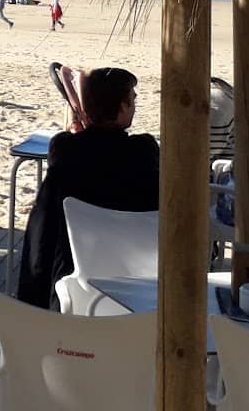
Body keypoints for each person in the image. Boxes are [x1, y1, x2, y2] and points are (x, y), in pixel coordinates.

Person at [16, 67, 160, 308]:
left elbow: (69, 148)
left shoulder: (65, 150)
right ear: (123, 107)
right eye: (132, 100)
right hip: (134, 279)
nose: (134, 105)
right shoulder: (142, 150)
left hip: (71, 276)